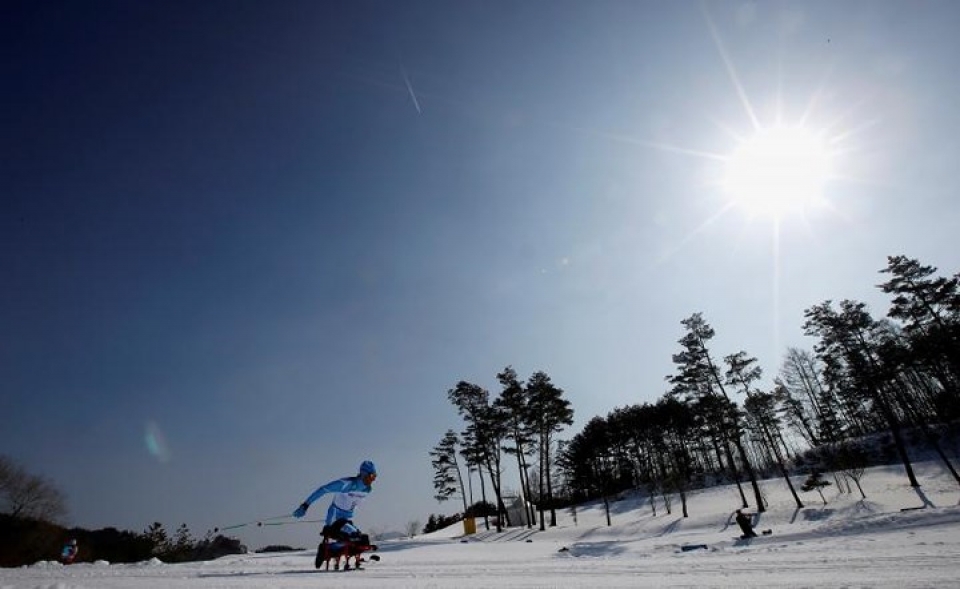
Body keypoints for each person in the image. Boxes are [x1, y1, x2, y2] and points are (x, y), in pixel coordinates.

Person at [293, 460, 377, 543]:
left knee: (363, 540)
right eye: (372, 476)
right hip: (334, 519)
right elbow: (323, 489)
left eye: (375, 477)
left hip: (346, 521)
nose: (373, 480)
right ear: (363, 474)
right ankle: (326, 550)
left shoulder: (367, 490)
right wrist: (305, 505)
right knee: (354, 537)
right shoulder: (346, 484)